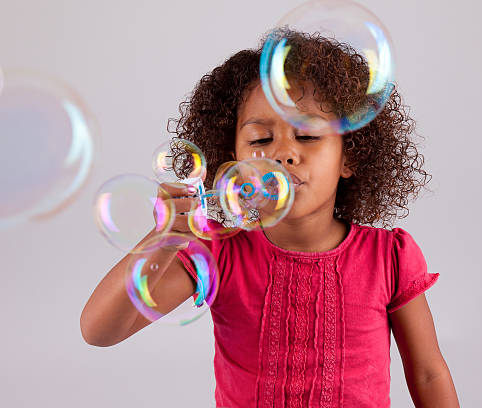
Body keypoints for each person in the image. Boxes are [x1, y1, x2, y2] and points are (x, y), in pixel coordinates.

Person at [80, 29, 460, 407]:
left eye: (307, 136)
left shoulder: (388, 256)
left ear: (350, 156)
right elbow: (100, 331)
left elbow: (428, 373)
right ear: (232, 160)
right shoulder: (217, 253)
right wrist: (164, 238)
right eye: (261, 140)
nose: (283, 154)